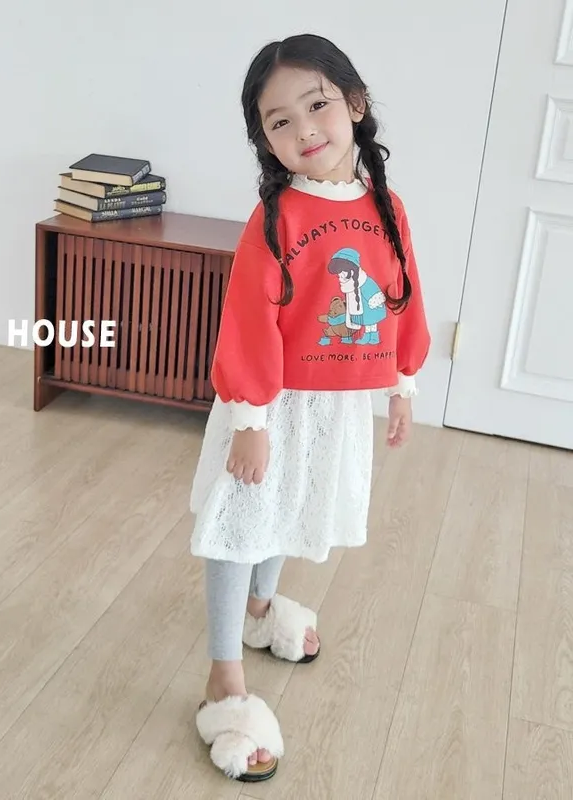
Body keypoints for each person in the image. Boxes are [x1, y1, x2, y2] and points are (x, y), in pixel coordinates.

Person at [190, 33, 431, 783]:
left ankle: (261, 612)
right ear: (266, 140)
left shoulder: (387, 208)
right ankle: (223, 678)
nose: (303, 129)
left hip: (339, 403)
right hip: (271, 404)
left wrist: (402, 383)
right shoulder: (277, 218)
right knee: (240, 525)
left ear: (354, 104)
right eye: (279, 121)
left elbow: (402, 293)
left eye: (316, 105)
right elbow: (247, 320)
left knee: (289, 511)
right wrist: (250, 421)